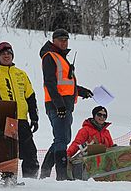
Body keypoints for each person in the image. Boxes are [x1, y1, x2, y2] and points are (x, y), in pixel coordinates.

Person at [39, 28, 93, 181]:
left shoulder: (61, 58)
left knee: (62, 138)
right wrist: (59, 105)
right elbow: (49, 83)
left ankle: (46, 171)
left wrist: (82, 91)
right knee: (62, 139)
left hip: (65, 105)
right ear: (53, 40)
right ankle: (61, 176)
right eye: (61, 39)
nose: (64, 42)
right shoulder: (50, 57)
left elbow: (66, 85)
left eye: (66, 39)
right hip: (57, 105)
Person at [0, 41, 40, 178]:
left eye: (8, 53)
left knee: (30, 153)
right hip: (6, 121)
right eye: (3, 54)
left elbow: (31, 97)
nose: (6, 56)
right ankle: (6, 181)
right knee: (7, 154)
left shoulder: (21, 74)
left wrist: (34, 117)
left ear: (13, 55)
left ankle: (31, 181)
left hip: (22, 120)